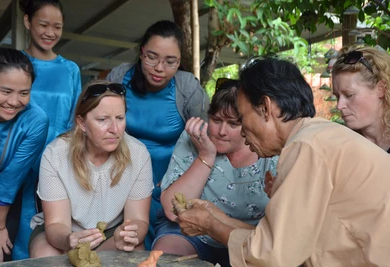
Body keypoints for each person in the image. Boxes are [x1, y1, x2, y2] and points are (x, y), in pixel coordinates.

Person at [172, 56, 390, 267]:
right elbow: (283, 242)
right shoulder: (318, 135)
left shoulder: (306, 145)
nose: (244, 132)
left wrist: (209, 225)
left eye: (242, 118)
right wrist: (217, 217)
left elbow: (273, 256)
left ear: (266, 108)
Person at [106, 20, 210, 248]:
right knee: (123, 244)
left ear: (179, 61)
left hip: (168, 182)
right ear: (141, 52)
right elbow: (99, 125)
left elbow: (205, 142)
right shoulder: (119, 76)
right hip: (120, 177)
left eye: (170, 61)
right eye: (152, 57)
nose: (159, 68)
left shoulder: (188, 88)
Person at [152, 78, 277, 267]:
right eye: (216, 120)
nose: (221, 131)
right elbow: (172, 210)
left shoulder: (269, 148)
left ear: (250, 123)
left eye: (233, 124)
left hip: (248, 235)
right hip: (192, 232)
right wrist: (206, 155)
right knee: (166, 258)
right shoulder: (195, 137)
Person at [28, 81, 153, 257]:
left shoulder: (138, 154)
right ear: (82, 123)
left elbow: (138, 220)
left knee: (134, 251)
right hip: (64, 232)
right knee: (45, 254)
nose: (115, 129)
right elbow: (56, 224)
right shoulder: (56, 154)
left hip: (110, 232)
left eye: (120, 118)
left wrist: (127, 235)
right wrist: (69, 240)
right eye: (102, 120)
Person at [16, 0, 82, 259]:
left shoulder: (70, 70)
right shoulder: (16, 63)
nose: (50, 32)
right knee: (16, 222)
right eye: (43, 24)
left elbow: (75, 120)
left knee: (54, 226)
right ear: (27, 22)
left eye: (57, 26)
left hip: (58, 160)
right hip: (19, 157)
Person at [0, 48, 48, 264]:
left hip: (1, 197)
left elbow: (11, 177)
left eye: (24, 93)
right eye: (5, 91)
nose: (14, 102)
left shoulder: (36, 121)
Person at [332, 46, 390, 153]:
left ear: (381, 89)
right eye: (337, 96)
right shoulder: (343, 148)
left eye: (349, 95)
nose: (339, 106)